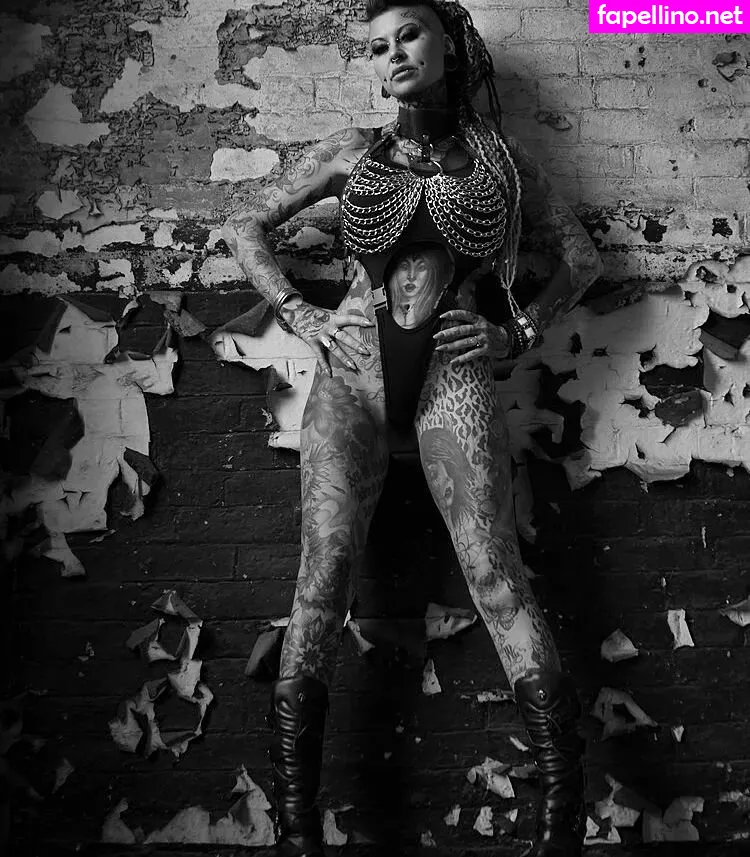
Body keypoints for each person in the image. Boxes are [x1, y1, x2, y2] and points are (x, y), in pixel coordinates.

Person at [222, 1, 603, 854]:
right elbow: (245, 226)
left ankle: (560, 828)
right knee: (323, 576)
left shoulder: (502, 162)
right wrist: (298, 312)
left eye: (408, 35)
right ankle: (295, 831)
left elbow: (582, 258)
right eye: (376, 46)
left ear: (450, 48)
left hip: (452, 379)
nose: (391, 54)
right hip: (350, 378)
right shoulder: (351, 151)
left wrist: (516, 332)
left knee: (495, 573)